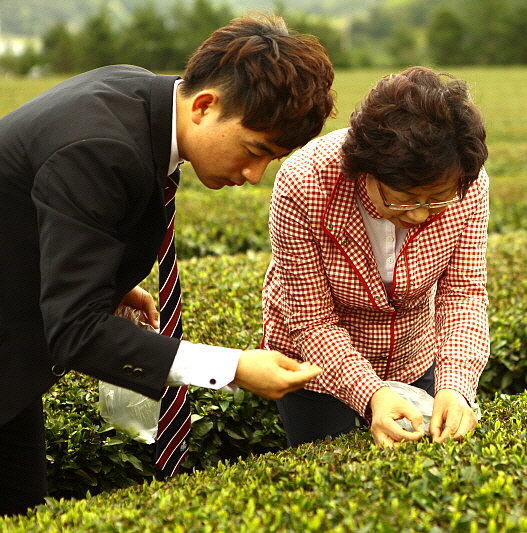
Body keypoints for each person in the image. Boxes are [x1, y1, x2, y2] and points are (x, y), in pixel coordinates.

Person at [0, 14, 334, 516]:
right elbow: (76, 332)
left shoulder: (138, 96)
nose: (253, 174)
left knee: (23, 508)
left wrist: (105, 285)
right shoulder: (102, 147)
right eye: (254, 150)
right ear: (204, 105)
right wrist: (234, 368)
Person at [261, 66, 489, 448]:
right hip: (316, 367)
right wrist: (373, 395)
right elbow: (311, 320)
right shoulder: (305, 183)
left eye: (436, 199)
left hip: (413, 353)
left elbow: (462, 295)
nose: (418, 214)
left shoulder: (467, 182)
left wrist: (456, 386)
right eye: (403, 198)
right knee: (328, 467)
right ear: (367, 169)